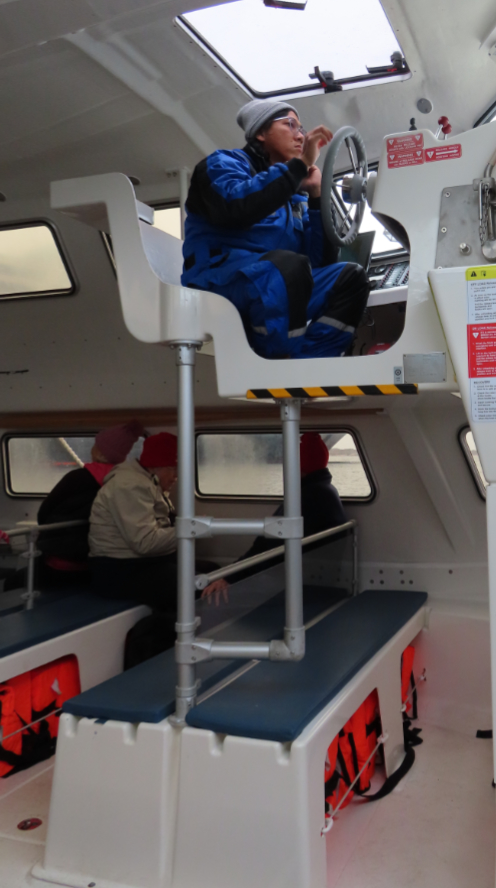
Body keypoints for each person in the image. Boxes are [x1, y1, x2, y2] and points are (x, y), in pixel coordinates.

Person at [181, 100, 370, 359]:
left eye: (302, 129)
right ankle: (277, 366)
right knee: (285, 267)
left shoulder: (294, 196)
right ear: (260, 133)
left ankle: (309, 368)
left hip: (276, 284)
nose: (300, 135)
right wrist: (301, 164)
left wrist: (315, 195)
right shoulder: (221, 164)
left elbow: (320, 263)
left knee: (350, 279)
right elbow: (237, 208)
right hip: (220, 284)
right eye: (290, 125)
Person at [88, 432, 228, 612]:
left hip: (143, 562)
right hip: (117, 569)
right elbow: (145, 543)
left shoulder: (148, 482)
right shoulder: (129, 486)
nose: (176, 476)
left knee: (213, 571)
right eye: (173, 468)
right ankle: (169, 635)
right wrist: (190, 530)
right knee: (193, 586)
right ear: (157, 466)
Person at [35, 421, 146, 589]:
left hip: (62, 561)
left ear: (100, 452)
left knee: (15, 581)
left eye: (96, 445)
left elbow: (43, 515)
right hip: (99, 564)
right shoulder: (124, 483)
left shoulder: (76, 478)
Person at [241, 432, 347, 562]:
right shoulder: (324, 491)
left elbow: (268, 546)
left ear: (299, 467)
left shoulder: (309, 497)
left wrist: (230, 577)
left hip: (287, 573)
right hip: (309, 569)